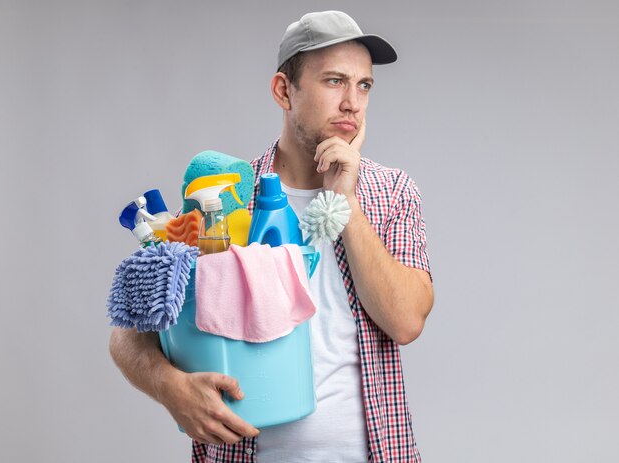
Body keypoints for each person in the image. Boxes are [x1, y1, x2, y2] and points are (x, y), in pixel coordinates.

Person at [109, 10, 433, 463]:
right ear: (284, 90)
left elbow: (405, 320)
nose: (352, 103)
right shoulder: (221, 195)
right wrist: (171, 387)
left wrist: (347, 200)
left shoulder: (393, 193)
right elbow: (127, 331)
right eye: (335, 81)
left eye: (364, 85)